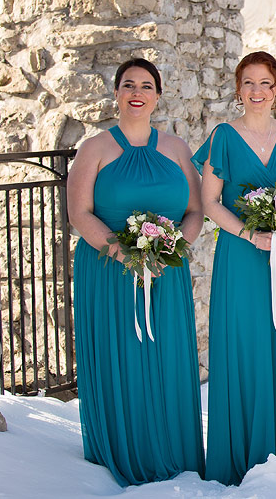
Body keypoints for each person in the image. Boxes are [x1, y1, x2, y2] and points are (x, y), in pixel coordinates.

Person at [67, 58, 205, 486]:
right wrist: (123, 253)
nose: (137, 92)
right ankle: (121, 446)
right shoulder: (95, 148)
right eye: (128, 85)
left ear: (158, 96)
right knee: (120, 354)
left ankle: (171, 448)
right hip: (109, 270)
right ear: (117, 94)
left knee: (165, 357)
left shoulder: (178, 149)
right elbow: (79, 213)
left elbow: (196, 211)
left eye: (146, 85)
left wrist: (172, 247)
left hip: (166, 271)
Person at [194, 51, 276, 485]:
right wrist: (251, 234)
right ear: (238, 88)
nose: (257, 91)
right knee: (246, 344)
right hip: (242, 259)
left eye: (266, 83)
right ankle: (241, 452)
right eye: (249, 83)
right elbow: (209, 202)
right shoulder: (223, 137)